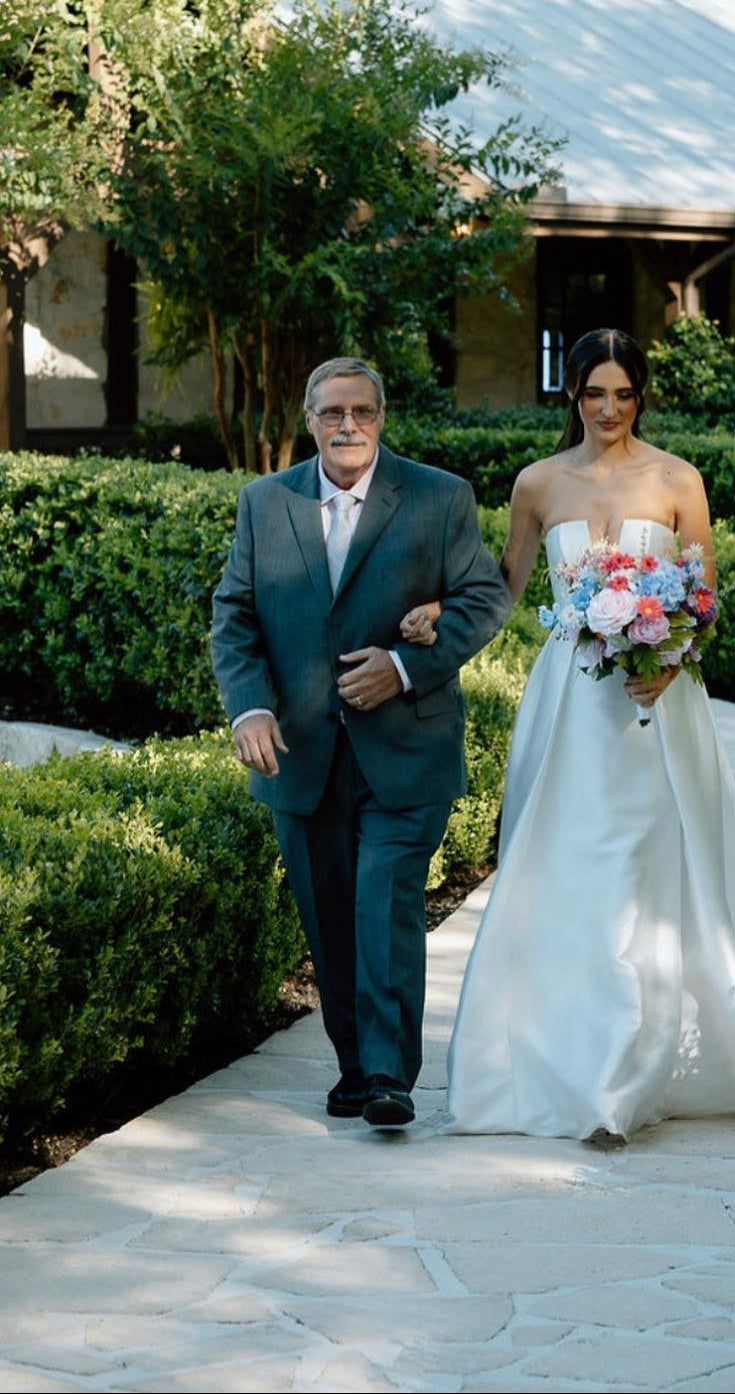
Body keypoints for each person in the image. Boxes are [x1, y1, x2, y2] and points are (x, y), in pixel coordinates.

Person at [443, 327, 735, 1141]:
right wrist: (433, 616)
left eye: (623, 394)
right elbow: (501, 590)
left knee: (645, 879)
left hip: (656, 707)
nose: (608, 409)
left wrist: (670, 659)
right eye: (593, 393)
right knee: (566, 877)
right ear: (571, 394)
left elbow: (703, 600)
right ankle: (565, 1068)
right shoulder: (537, 483)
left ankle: (625, 1086)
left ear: (640, 396)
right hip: (568, 708)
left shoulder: (676, 479)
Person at [210, 356, 512, 1129]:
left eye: (363, 412)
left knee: (384, 905)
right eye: (333, 413)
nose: (348, 426)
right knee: (330, 920)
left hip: (407, 748)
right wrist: (250, 709)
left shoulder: (439, 497)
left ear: (382, 417)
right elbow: (235, 614)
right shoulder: (264, 502)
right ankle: (356, 1069)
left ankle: (387, 1075)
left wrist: (405, 667)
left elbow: (484, 597)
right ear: (308, 421)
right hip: (302, 752)